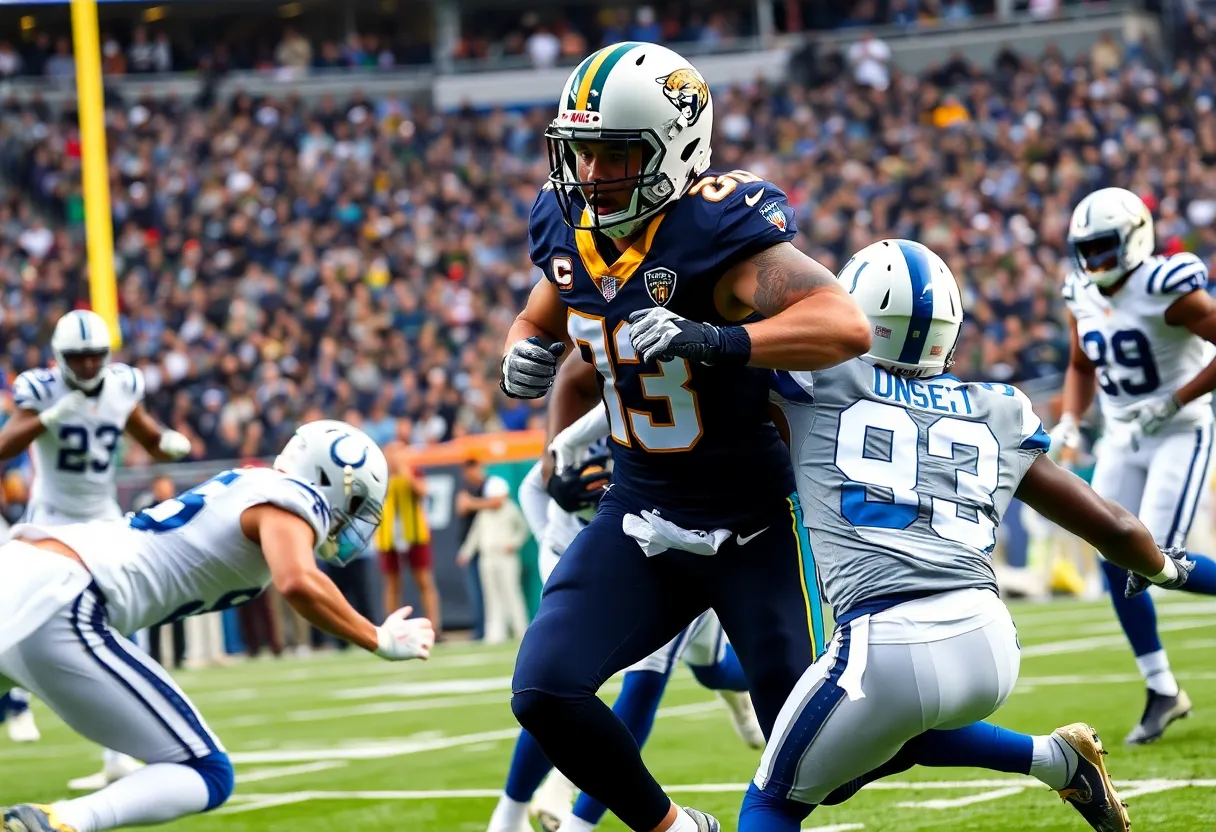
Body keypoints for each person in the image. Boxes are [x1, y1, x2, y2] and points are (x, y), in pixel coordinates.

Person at [501, 42, 869, 832]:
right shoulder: (567, 219)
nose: (592, 175)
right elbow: (553, 298)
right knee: (544, 689)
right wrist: (523, 345)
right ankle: (674, 829)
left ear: (676, 148)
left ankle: (1035, 753)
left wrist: (718, 340)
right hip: (641, 514)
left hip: (753, 522)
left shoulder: (715, 228)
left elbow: (843, 323)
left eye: (615, 154)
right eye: (582, 153)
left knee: (817, 763)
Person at [741, 238, 1195, 832]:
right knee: (882, 733)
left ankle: (1055, 760)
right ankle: (1058, 761)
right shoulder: (997, 407)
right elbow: (1115, 526)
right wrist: (1164, 569)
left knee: (774, 801)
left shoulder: (814, 382)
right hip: (991, 644)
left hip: (885, 641)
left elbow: (740, 336)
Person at [0, 419, 435, 832]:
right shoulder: (292, 496)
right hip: (67, 595)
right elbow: (298, 581)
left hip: (21, 568)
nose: (349, 518)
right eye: (354, 502)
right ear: (327, 478)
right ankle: (57, 823)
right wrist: (377, 638)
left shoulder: (252, 484)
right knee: (206, 771)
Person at [489, 386, 767, 832]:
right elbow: (533, 486)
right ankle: (507, 817)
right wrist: (555, 542)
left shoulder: (663, 422)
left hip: (665, 556)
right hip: (588, 560)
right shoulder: (590, 415)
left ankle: (582, 822)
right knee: (551, 678)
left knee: (675, 675)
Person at [1051, 187, 1216, 743]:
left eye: (1105, 248)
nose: (1094, 262)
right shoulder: (1079, 290)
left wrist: (1177, 398)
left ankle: (1164, 687)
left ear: (1135, 238)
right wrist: (1072, 419)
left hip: (1179, 430)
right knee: (1111, 550)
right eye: (1086, 250)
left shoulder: (1166, 288)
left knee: (1153, 561)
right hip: (1123, 433)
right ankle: (1162, 687)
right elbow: (1080, 363)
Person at [0, 310, 192, 784]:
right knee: (18, 613)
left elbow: (147, 437)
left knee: (128, 630)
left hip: (103, 521)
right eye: (78, 358)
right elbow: (3, 446)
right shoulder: (42, 389)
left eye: (94, 357)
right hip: (50, 520)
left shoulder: (124, 384)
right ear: (59, 358)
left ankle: (117, 756)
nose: (87, 366)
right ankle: (16, 699)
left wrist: (169, 443)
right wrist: (48, 418)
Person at [378, 420, 440, 637]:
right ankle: (393, 630)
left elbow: (423, 491)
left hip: (414, 533)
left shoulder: (412, 473)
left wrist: (406, 472)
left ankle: (434, 627)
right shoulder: (379, 477)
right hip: (388, 536)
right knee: (392, 582)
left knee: (424, 580)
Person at [457, 474, 529, 644]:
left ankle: (521, 630)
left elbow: (523, 529)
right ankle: (496, 634)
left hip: (506, 557)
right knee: (491, 596)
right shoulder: (484, 512)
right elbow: (475, 534)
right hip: (487, 558)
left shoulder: (511, 509)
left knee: (512, 593)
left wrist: (513, 543)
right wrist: (466, 553)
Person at [455, 459, 510, 639]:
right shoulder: (466, 489)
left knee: (503, 593)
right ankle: (483, 630)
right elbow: (462, 508)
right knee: (480, 593)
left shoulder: (491, 484)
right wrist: (476, 503)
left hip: (495, 547)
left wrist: (473, 503)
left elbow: (497, 502)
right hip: (476, 546)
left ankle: (508, 629)